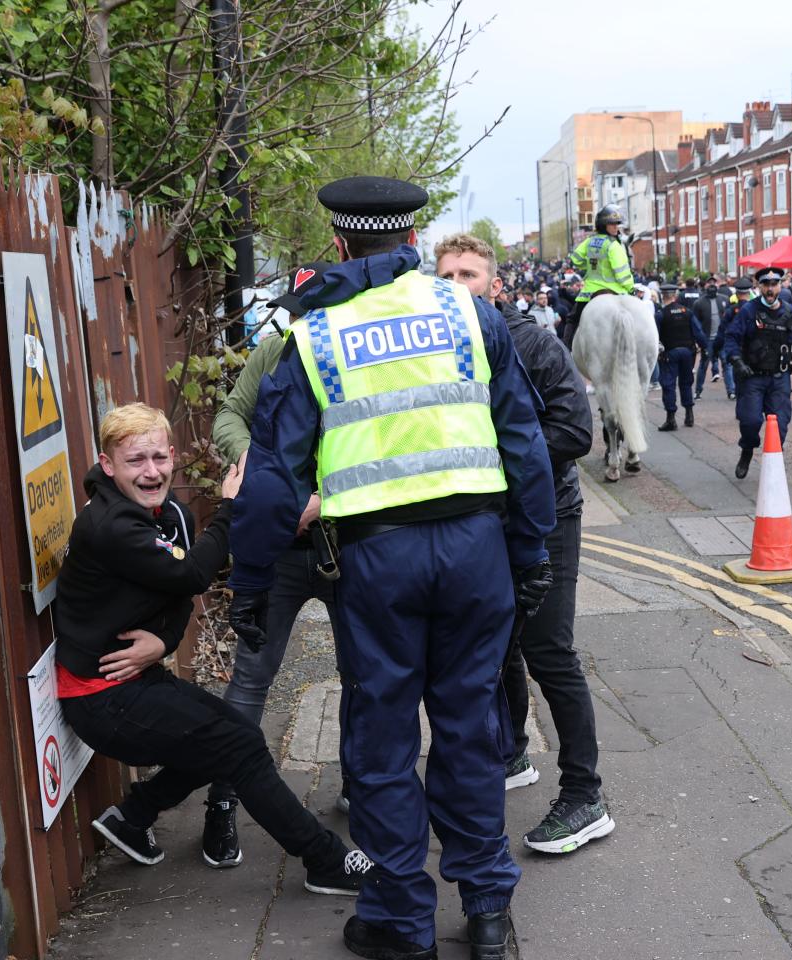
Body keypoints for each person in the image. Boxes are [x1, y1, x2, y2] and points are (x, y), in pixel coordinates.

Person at [227, 177, 556, 960]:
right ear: (413, 241)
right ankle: (485, 913)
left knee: (379, 740)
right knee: (472, 730)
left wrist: (249, 581)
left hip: (376, 560)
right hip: (476, 552)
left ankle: (402, 922)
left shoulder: (316, 336)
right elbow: (525, 443)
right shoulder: (471, 315)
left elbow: (274, 476)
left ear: (339, 245)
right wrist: (531, 551)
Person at [53, 403, 372, 892]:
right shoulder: (112, 526)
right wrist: (231, 508)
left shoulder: (167, 512)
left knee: (227, 733)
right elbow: (193, 572)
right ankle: (324, 860)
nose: (152, 471)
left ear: (174, 455)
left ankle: (133, 817)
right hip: (100, 695)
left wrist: (163, 640)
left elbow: (184, 584)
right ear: (108, 463)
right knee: (238, 743)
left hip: (134, 677)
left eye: (159, 457)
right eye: (136, 460)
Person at [432, 234, 612, 857]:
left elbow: (574, 430)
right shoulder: (438, 347)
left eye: (471, 274)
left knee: (548, 649)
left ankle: (585, 796)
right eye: (448, 275)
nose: (459, 285)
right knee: (498, 637)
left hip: (547, 515)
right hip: (481, 520)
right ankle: (511, 756)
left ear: (495, 283)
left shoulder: (533, 342)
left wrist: (492, 457)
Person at [205, 262, 343, 864]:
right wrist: (261, 474)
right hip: (279, 548)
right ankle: (222, 801)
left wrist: (324, 499)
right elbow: (228, 417)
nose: (306, 316)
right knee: (252, 675)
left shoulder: (359, 353)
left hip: (348, 542)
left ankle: (363, 790)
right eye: (300, 305)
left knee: (365, 677)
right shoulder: (274, 351)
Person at [721, 267, 792, 479]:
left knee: (780, 423)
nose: (770, 288)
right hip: (753, 377)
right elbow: (731, 338)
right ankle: (747, 449)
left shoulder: (791, 311)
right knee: (750, 421)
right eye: (765, 284)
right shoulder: (749, 310)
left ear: (780, 285)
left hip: (779, 378)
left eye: (774, 284)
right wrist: (737, 361)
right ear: (759, 286)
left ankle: (773, 464)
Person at [655, 282, 708, 430]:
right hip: (687, 353)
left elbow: (655, 337)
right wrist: (705, 348)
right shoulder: (687, 312)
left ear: (662, 296)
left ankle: (671, 418)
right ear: (676, 296)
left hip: (669, 353)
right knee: (686, 383)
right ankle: (689, 414)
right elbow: (698, 332)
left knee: (669, 385)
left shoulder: (660, 315)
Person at [570, 207, 636, 318]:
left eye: (617, 224)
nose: (616, 227)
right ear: (603, 225)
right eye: (612, 224)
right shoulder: (614, 245)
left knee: (572, 320)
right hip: (616, 292)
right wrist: (631, 289)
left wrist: (589, 265)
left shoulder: (589, 241)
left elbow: (575, 259)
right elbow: (622, 274)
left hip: (589, 293)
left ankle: (567, 337)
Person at [692, 278, 732, 399]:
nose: (712, 286)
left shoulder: (724, 300)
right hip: (707, 339)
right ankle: (698, 391)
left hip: (722, 338)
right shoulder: (699, 303)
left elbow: (729, 318)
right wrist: (699, 340)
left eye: (713, 283)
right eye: (709, 283)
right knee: (704, 364)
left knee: (726, 364)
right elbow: (696, 323)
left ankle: (731, 391)